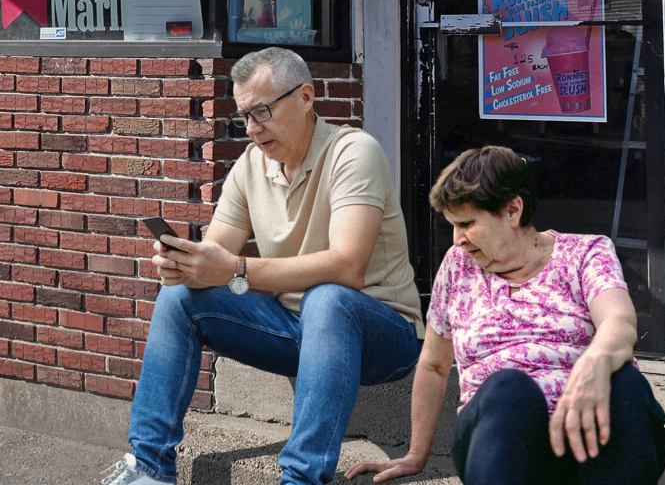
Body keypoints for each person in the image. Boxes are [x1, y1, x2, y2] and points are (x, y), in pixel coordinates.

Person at [99, 47, 424, 485]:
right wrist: (186, 267)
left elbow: (348, 267)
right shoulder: (251, 166)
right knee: (180, 297)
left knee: (327, 300)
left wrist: (235, 269)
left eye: (263, 111)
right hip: (294, 331)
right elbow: (215, 258)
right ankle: (151, 469)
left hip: (384, 336)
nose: (253, 129)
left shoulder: (353, 152)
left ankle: (302, 479)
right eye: (244, 117)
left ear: (306, 97)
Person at [345, 146, 665, 485]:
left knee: (626, 383)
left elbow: (618, 321)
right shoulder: (458, 268)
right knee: (509, 388)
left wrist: (598, 362)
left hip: (590, 441)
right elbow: (434, 365)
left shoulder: (585, 253)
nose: (457, 240)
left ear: (512, 210)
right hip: (499, 442)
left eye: (467, 223)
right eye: (452, 226)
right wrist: (415, 455)